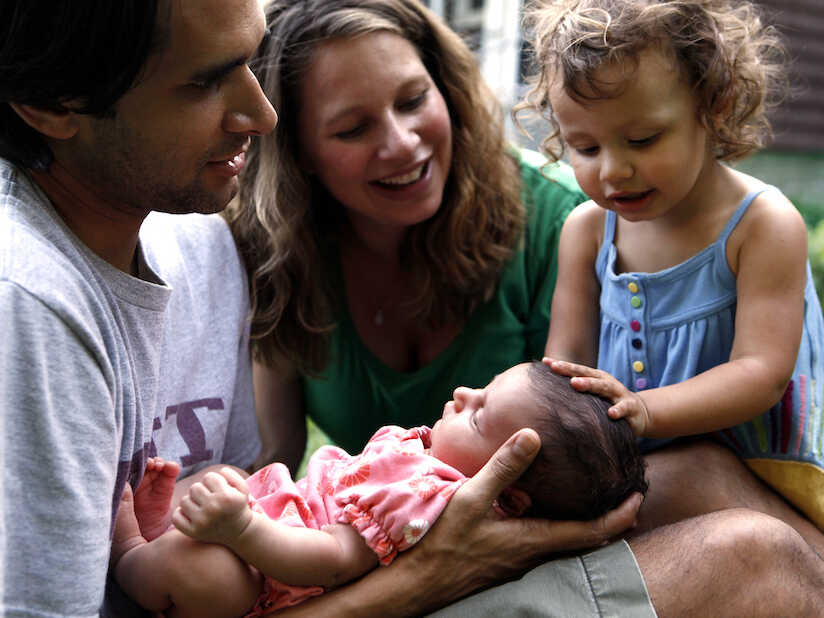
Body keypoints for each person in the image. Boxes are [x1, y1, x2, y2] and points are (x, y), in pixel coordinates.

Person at [0, 0, 279, 615]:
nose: (262, 114)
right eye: (204, 81)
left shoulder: (200, 241)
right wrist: (436, 575)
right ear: (51, 103)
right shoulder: (25, 299)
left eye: (251, 61)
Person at [521, 0, 824, 536]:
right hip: (637, 468)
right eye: (585, 147)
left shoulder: (762, 225)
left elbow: (760, 373)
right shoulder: (587, 231)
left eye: (642, 140)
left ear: (715, 104)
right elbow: (564, 363)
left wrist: (645, 408)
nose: (614, 169)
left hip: (767, 472)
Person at [111, 362, 648, 616]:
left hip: (271, 575)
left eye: (479, 415)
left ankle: (134, 554)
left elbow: (334, 560)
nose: (461, 392)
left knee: (202, 571)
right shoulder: (425, 455)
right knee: (213, 479)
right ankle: (162, 537)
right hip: (278, 523)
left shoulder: (428, 498)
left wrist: (243, 528)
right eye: (480, 389)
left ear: (506, 497)